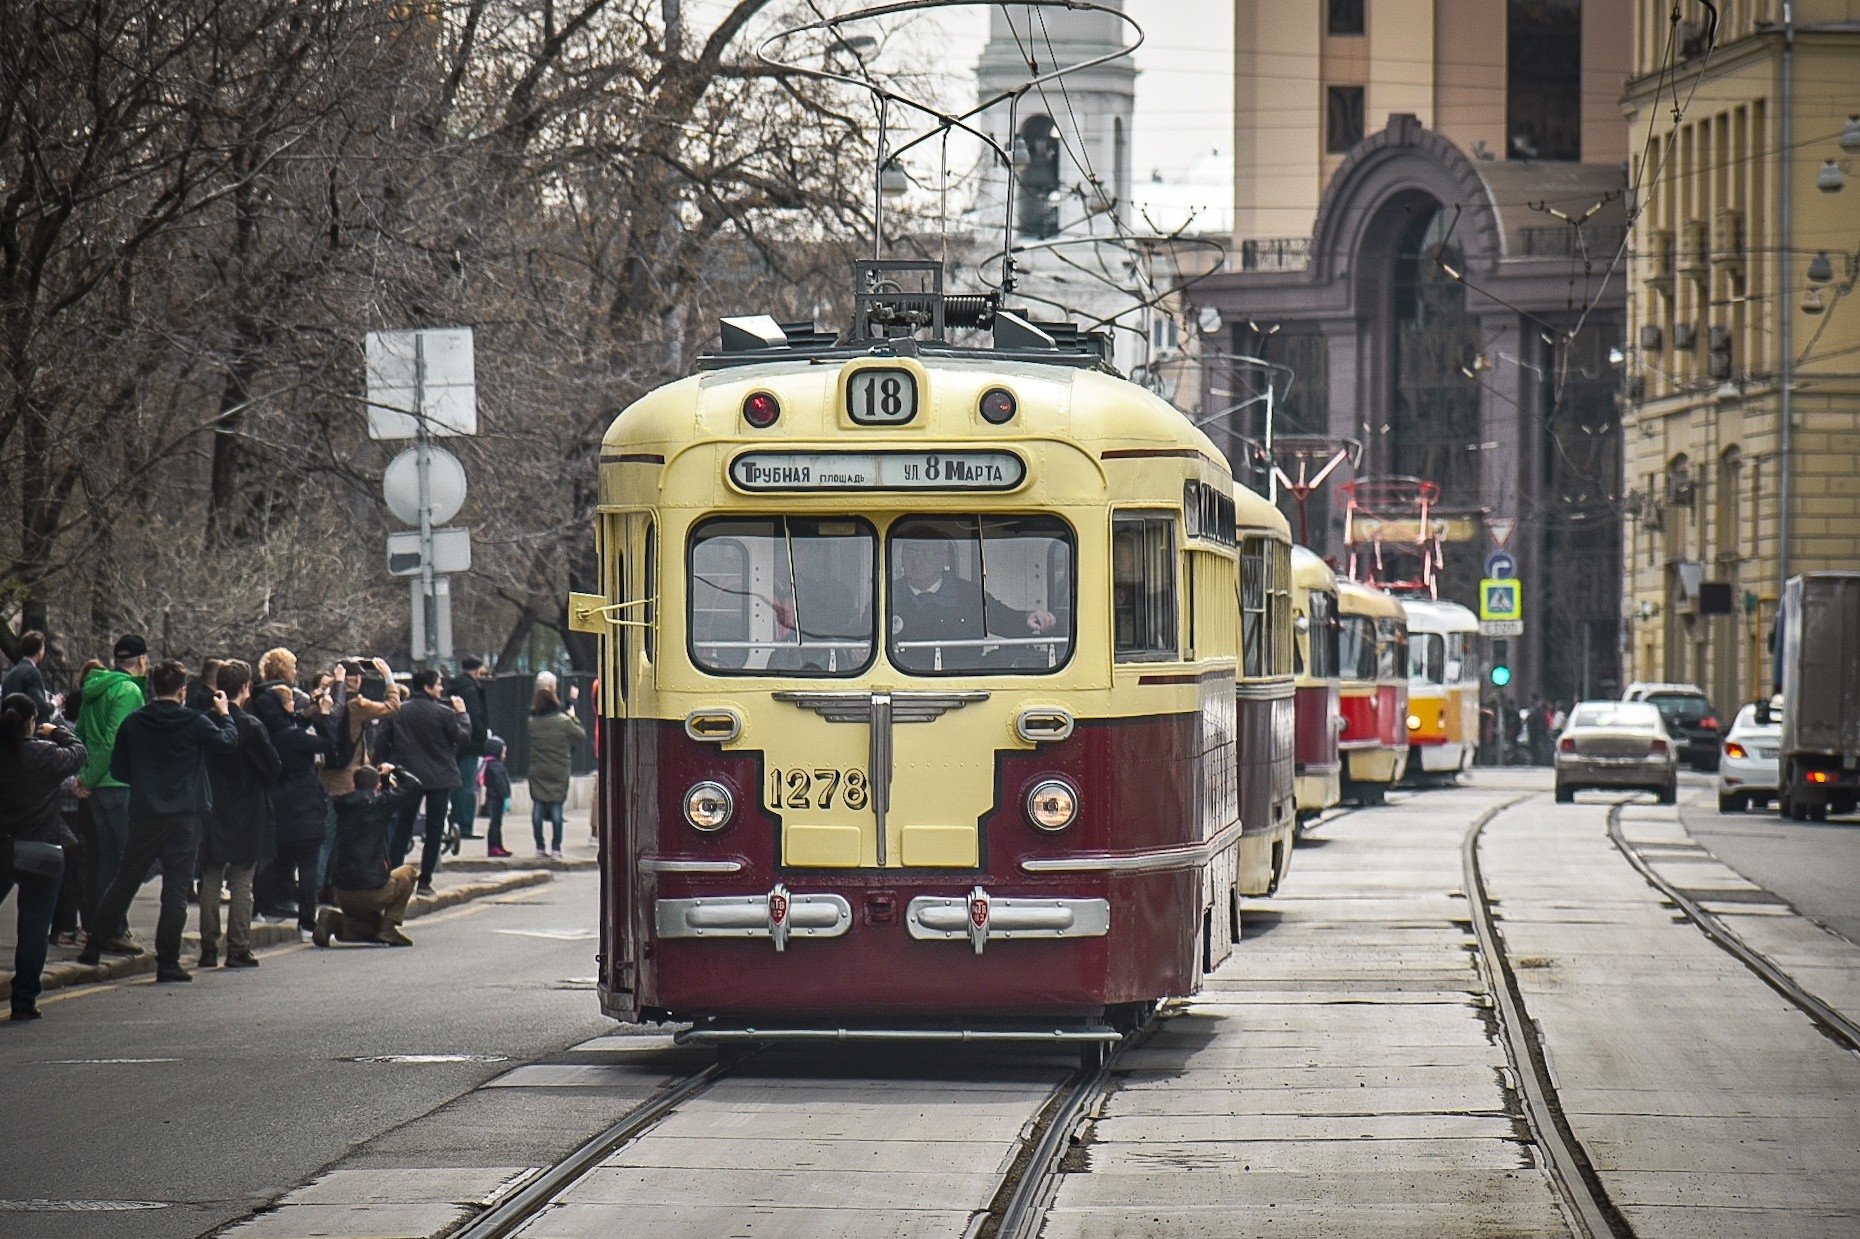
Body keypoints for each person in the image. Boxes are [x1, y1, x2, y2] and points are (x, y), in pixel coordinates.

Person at [77, 659, 237, 982]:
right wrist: (225, 714)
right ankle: (167, 961)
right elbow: (228, 744)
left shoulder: (135, 722)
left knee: (125, 880)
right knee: (175, 889)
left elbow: (119, 769)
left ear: (152, 687)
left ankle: (94, 943)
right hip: (185, 816)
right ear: (182, 690)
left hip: (145, 813)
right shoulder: (194, 722)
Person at [0, 692, 86, 1021]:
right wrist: (57, 731)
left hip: (3, 847)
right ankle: (24, 999)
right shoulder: (45, 754)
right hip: (42, 851)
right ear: (30, 721)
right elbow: (78, 753)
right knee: (34, 928)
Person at [199, 660, 280, 969]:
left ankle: (208, 946)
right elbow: (272, 768)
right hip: (247, 809)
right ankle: (238, 946)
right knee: (242, 881)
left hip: (212, 807)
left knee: (210, 877)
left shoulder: (204, 722)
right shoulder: (251, 725)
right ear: (246, 687)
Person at [250, 647, 335, 940]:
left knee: (278, 859)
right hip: (302, 799)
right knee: (307, 862)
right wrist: (322, 716)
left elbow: (294, 723)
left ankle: (258, 906)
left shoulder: (264, 720)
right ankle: (307, 921)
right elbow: (326, 743)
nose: (296, 672)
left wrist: (307, 714)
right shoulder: (293, 737)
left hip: (275, 797)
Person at [73, 635, 151, 949]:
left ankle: (100, 926)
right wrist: (89, 778)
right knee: (126, 863)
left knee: (104, 860)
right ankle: (112, 928)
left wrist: (84, 778)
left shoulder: (95, 687)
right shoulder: (128, 690)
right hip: (117, 784)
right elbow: (114, 740)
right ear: (142, 660)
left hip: (95, 787)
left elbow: (80, 733)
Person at [888, 533, 1055, 668]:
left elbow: (1004, 619)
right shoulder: (887, 595)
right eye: (911, 552)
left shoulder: (969, 595)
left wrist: (1028, 618)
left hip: (964, 680)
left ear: (943, 559)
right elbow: (866, 636)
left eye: (927, 554)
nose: (917, 560)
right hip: (904, 683)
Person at [380, 668, 469, 897]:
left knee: (403, 827)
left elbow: (382, 741)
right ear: (428, 687)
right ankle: (425, 881)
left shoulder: (398, 711)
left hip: (407, 776)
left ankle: (393, 877)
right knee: (435, 829)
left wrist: (383, 768)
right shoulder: (444, 713)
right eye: (439, 684)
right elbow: (462, 738)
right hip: (439, 778)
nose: (442, 689)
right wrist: (462, 714)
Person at [316, 764, 424, 946]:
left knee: (368, 929)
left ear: (353, 786)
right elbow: (414, 784)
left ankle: (332, 919)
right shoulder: (379, 805)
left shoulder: (342, 805)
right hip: (372, 889)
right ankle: (389, 928)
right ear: (378, 787)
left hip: (342, 892)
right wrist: (394, 769)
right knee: (409, 873)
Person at [317, 658, 399, 896]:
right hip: (350, 781)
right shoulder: (358, 705)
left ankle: (316, 887)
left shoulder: (325, 701)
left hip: (325, 778)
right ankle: (334, 886)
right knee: (345, 838)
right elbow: (393, 706)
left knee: (325, 837)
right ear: (357, 679)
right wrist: (388, 677)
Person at [526, 685, 585, 859]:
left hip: (538, 768)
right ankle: (556, 847)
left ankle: (539, 847)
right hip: (559, 768)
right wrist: (573, 718)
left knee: (538, 806)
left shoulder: (532, 723)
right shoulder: (563, 721)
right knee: (556, 807)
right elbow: (580, 735)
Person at [445, 657, 491, 842]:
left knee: (456, 785)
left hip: (455, 741)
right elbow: (475, 716)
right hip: (470, 743)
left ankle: (453, 823)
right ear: (476, 671)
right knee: (467, 786)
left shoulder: (454, 686)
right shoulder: (471, 690)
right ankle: (464, 825)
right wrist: (482, 735)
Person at [2, 630, 54, 724]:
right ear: (39, 650)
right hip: (27, 730)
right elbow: (37, 706)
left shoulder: (11, 673)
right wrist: (54, 704)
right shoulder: (32, 672)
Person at [480, 736, 512, 858]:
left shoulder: (488, 764)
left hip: (492, 797)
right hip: (497, 797)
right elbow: (501, 783)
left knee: (497, 823)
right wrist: (506, 796)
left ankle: (498, 846)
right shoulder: (496, 766)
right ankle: (494, 847)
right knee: (495, 823)